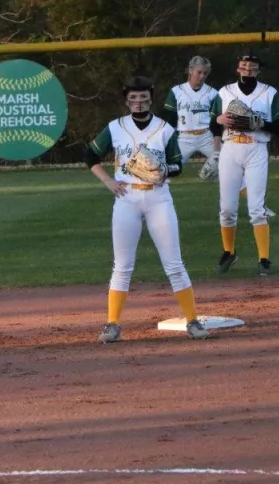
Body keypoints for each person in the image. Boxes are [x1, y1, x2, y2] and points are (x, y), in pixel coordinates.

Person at [85, 76, 210, 344]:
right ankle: (112, 324)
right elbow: (90, 156)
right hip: (126, 197)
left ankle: (192, 320)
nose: (138, 102)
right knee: (122, 266)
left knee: (174, 263)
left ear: (151, 99)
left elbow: (177, 165)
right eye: (133, 98)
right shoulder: (116, 127)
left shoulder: (164, 128)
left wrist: (164, 171)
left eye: (143, 97)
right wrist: (108, 181)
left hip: (158, 197)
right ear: (126, 101)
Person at [209, 53, 279, 275]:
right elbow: (213, 124)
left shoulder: (269, 93)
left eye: (252, 67)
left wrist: (261, 123)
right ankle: (228, 251)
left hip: (256, 148)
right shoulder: (225, 92)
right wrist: (218, 121)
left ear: (258, 70)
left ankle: (264, 258)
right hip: (230, 147)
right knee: (226, 208)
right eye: (243, 66)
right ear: (238, 69)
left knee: (257, 208)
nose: (247, 70)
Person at [162, 56, 220, 171]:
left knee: (226, 163)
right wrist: (168, 142)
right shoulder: (176, 91)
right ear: (190, 70)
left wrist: (217, 149)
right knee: (168, 168)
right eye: (199, 72)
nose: (202, 76)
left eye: (205, 73)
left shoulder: (213, 93)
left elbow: (216, 122)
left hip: (206, 136)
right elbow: (170, 120)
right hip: (184, 137)